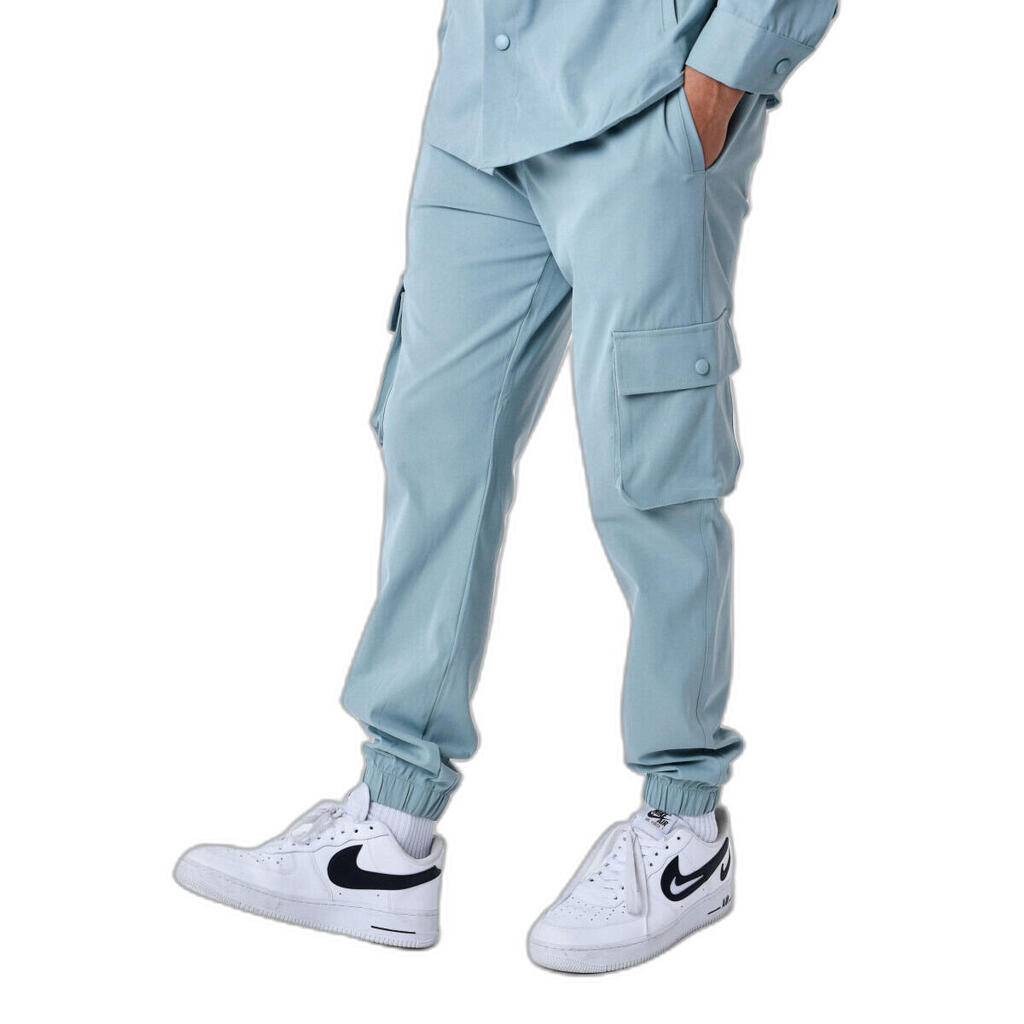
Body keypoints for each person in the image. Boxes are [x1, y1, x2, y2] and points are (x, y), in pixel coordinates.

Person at [175, 0, 836, 973]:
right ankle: (388, 834)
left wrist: (723, 75)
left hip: (645, 93)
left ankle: (684, 829)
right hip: (479, 103)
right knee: (432, 444)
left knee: (649, 473)